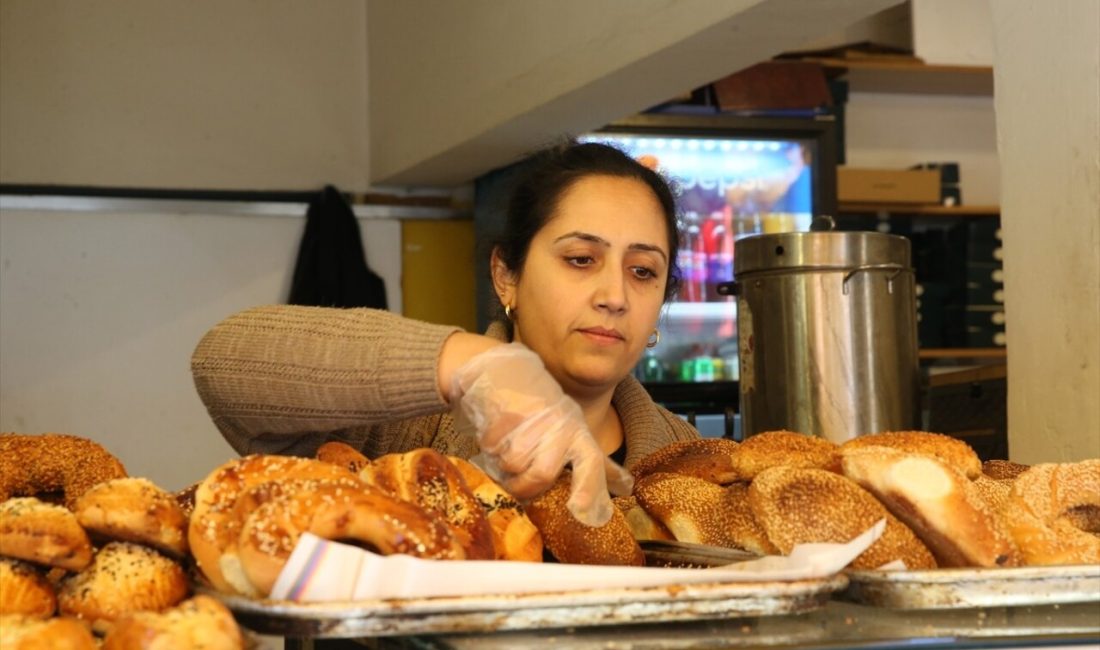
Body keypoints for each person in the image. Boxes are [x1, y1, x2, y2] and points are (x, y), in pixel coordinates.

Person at [190, 140, 700, 528]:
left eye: (642, 272)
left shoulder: (692, 464)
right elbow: (222, 363)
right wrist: (472, 365)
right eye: (580, 260)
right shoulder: (408, 430)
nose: (614, 295)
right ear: (507, 276)